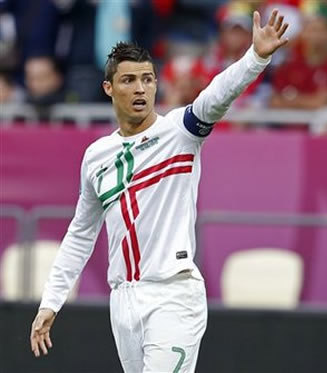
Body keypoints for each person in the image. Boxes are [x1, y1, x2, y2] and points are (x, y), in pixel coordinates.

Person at [29, 9, 289, 373]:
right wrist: (51, 301)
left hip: (173, 294)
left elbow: (216, 96)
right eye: (129, 80)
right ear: (109, 88)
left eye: (148, 79)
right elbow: (80, 234)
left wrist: (255, 57)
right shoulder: (96, 157)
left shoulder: (179, 133)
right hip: (122, 300)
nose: (140, 89)